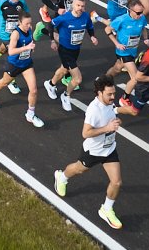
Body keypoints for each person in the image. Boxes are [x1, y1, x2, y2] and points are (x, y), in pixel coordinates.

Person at [53, 76, 124, 231]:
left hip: (109, 149)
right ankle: (62, 177)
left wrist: (116, 122)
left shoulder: (109, 104)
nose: (113, 97)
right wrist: (107, 128)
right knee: (79, 169)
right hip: (93, 151)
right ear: (99, 93)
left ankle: (106, 209)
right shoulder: (93, 109)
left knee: (117, 182)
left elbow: (110, 118)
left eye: (114, 93)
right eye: (109, 94)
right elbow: (85, 133)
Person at [0, 14, 45, 129]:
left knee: (33, 90)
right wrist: (26, 48)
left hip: (27, 64)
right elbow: (11, 51)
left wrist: (31, 48)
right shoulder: (16, 33)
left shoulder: (29, 29)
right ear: (19, 23)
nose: (29, 26)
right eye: (26, 24)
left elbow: (28, 43)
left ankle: (30, 114)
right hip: (14, 64)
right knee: (4, 82)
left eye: (30, 23)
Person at [46, 0, 101, 112]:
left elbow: (90, 27)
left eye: (82, 6)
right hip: (64, 50)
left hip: (76, 49)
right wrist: (52, 40)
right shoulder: (65, 18)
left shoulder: (85, 16)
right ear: (72, 5)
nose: (80, 8)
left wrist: (92, 37)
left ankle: (50, 84)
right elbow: (50, 24)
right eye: (78, 5)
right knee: (77, 79)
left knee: (64, 69)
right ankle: (66, 95)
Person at [104, 0, 147, 82]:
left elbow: (143, 28)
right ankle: (127, 95)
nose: (140, 15)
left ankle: (104, 80)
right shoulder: (122, 19)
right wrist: (117, 44)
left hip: (133, 50)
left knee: (117, 69)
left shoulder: (142, 18)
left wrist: (146, 38)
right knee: (135, 78)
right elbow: (107, 29)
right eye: (138, 13)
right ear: (131, 10)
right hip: (123, 52)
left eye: (142, 12)